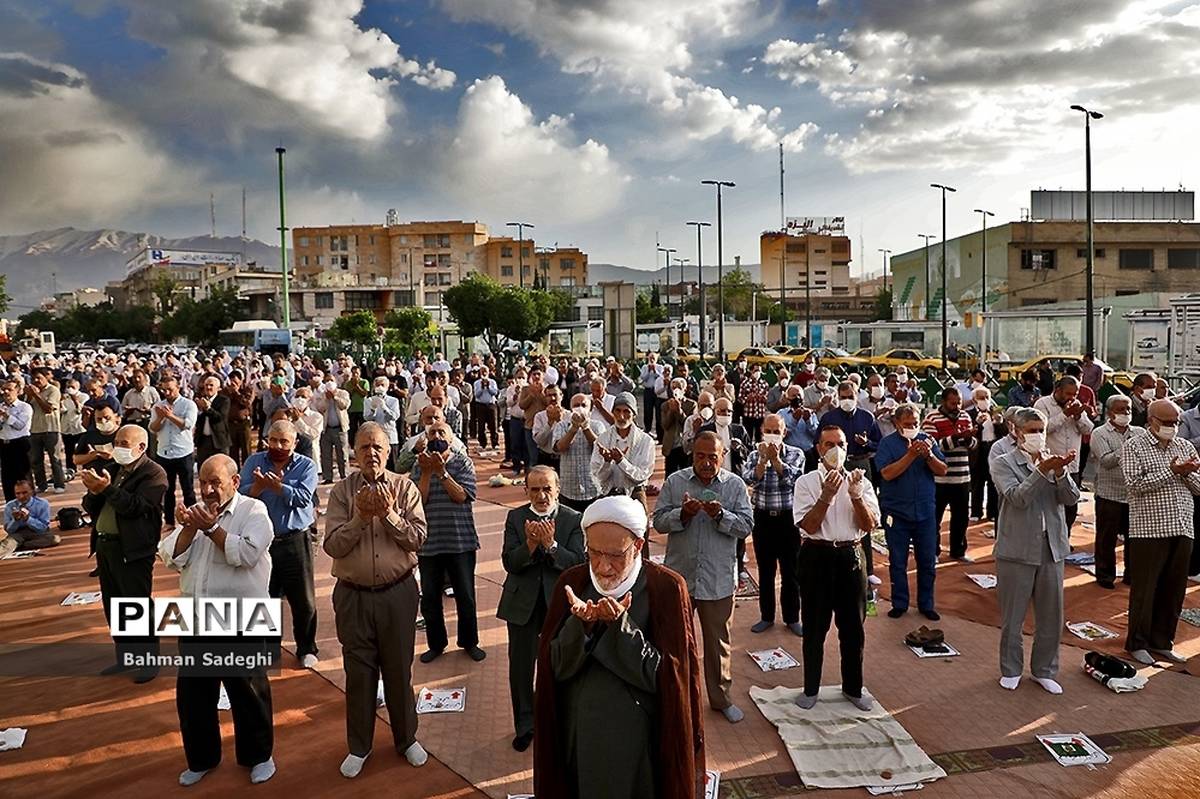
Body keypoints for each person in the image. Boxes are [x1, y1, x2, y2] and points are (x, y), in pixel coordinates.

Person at [533, 496, 705, 799]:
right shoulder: (572, 581)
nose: (603, 566)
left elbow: (668, 678)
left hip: (638, 745)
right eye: (594, 553)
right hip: (579, 738)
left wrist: (620, 627)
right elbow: (553, 668)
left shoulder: (665, 587)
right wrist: (582, 625)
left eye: (614, 555)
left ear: (638, 545)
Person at [160, 455, 277, 786]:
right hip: (197, 618)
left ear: (235, 482)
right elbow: (170, 557)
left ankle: (258, 756)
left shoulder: (253, 511)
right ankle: (201, 758)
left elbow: (246, 554)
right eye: (203, 483)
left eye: (216, 482)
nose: (208, 490)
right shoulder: (197, 513)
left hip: (244, 617)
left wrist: (211, 528)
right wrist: (189, 528)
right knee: (194, 695)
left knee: (249, 691)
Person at [324, 422, 429, 778]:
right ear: (355, 452)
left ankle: (406, 738)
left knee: (399, 670)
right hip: (353, 595)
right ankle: (359, 746)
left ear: (389, 451)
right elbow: (333, 546)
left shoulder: (404, 487)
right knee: (359, 673)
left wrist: (388, 514)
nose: (372, 453)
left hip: (397, 593)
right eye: (365, 447)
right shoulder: (342, 492)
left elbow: (417, 539)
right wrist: (360, 517)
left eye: (378, 447)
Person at [653, 432, 754, 723]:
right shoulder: (676, 482)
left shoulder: (734, 486)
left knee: (718, 643)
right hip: (680, 579)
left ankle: (720, 699)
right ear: (692, 455)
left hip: (718, 581)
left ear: (722, 457)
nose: (707, 463)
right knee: (674, 642)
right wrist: (682, 515)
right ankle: (674, 696)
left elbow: (747, 526)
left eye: (713, 457)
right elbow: (658, 521)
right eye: (701, 456)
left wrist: (722, 516)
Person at [791, 425, 881, 710]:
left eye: (840, 443)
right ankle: (811, 689)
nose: (835, 450)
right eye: (828, 444)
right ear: (818, 448)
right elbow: (808, 525)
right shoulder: (806, 482)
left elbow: (869, 526)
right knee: (815, 627)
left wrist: (855, 496)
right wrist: (827, 495)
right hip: (816, 556)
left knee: (853, 628)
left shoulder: (860, 482)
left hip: (851, 556)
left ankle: (853, 688)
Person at [497, 467, 585, 751]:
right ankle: (525, 725)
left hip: (558, 605)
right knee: (521, 668)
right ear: (526, 491)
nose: (541, 495)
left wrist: (551, 545)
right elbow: (510, 562)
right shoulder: (516, 517)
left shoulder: (573, 519)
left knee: (560, 664)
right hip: (522, 605)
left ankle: (556, 721)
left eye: (547, 489)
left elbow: (576, 565)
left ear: (557, 489)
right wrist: (531, 546)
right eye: (534, 490)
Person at [992, 407, 1078, 694]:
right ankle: (1011, 669)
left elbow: (1071, 498)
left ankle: (1044, 670)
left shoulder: (1052, 459)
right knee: (1013, 615)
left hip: (1052, 546)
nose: (1037, 436)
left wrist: (1061, 471)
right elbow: (1018, 498)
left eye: (1040, 430)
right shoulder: (1003, 461)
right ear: (1015, 432)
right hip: (1016, 548)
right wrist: (1041, 471)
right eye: (1030, 430)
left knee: (1052, 614)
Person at [79, 424, 165, 682]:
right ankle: (126, 657)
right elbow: (90, 504)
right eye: (117, 442)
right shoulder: (113, 468)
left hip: (133, 549)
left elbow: (136, 507)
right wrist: (95, 490)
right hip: (106, 545)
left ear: (141, 447)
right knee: (114, 605)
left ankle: (149, 661)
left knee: (136, 605)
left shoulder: (154, 473)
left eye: (124, 444)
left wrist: (106, 489)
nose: (118, 447)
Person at [1121, 399, 1200, 666]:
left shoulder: (1184, 445)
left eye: (1176, 423)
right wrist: (1172, 471)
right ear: (1151, 420)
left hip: (1182, 527)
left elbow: (1199, 486)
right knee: (1145, 590)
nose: (1172, 428)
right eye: (1167, 423)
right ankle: (1138, 643)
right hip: (1149, 529)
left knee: (1174, 589)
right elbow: (1135, 484)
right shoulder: (1134, 445)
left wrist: (1186, 473)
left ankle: (1162, 641)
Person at [240, 420, 320, 668]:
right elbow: (241, 496)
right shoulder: (254, 462)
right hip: (262, 541)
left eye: (284, 441)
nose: (277, 445)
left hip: (296, 539)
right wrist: (258, 486)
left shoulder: (306, 465)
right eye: (273, 440)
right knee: (265, 595)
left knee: (303, 599)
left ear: (294, 443)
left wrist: (278, 488)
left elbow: (303, 498)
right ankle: (268, 647)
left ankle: (306, 647)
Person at [413, 421, 484, 664]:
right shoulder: (419, 464)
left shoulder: (462, 462)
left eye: (441, 432)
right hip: (429, 543)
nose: (436, 435)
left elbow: (462, 496)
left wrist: (441, 472)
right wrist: (425, 473)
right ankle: (436, 644)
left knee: (465, 595)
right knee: (430, 597)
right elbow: (418, 501)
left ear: (451, 438)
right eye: (431, 432)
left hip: (460, 540)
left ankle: (469, 642)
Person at [877, 404, 948, 619]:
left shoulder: (928, 440)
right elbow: (887, 474)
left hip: (925, 512)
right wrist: (910, 455)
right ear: (897, 423)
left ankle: (926, 604)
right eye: (908, 424)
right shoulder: (887, 444)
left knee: (927, 561)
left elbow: (942, 470)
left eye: (916, 423)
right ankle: (900, 603)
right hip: (897, 513)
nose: (913, 427)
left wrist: (928, 456)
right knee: (898, 561)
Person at [741, 414, 804, 635]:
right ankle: (766, 616)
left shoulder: (796, 454)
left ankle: (792, 617)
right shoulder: (752, 455)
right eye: (768, 430)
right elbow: (750, 479)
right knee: (766, 571)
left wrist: (776, 460)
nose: (772, 435)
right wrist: (763, 461)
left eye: (777, 431)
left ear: (784, 432)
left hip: (788, 520)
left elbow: (792, 481)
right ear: (761, 431)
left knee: (790, 572)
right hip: (763, 518)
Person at [1090, 396, 1139, 588]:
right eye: (1121, 410)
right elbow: (1106, 461)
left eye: (1128, 410)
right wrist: (1127, 449)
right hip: (1109, 494)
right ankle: (1105, 575)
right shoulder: (1100, 433)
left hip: (1134, 494)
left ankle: (1131, 575)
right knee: (1106, 539)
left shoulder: (1139, 432)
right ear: (1110, 413)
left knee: (1134, 538)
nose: (1126, 413)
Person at [923, 387, 976, 562]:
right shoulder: (931, 418)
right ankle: (933, 551)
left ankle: (958, 551)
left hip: (962, 475)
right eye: (953, 403)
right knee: (934, 517)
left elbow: (973, 445)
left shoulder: (965, 416)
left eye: (959, 402)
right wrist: (956, 437)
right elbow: (932, 446)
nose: (957, 406)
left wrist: (969, 439)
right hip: (939, 478)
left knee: (961, 517)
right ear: (944, 402)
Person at [1034, 376, 1093, 532]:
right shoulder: (1042, 404)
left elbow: (1088, 429)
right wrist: (1065, 414)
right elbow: (1043, 429)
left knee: (1070, 508)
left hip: (1072, 467)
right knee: (1050, 507)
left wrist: (1078, 416)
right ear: (1057, 390)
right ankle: (1049, 543)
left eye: (1075, 394)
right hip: (1050, 465)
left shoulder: (1075, 405)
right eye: (1068, 394)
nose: (1071, 398)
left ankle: (1063, 541)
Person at [149, 376, 198, 528]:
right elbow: (153, 428)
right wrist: (161, 418)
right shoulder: (158, 406)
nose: (167, 392)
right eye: (164, 389)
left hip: (183, 452)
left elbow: (187, 425)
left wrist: (170, 416)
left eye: (170, 389)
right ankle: (169, 521)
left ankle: (192, 519)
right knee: (167, 490)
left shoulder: (188, 404)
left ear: (178, 387)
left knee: (188, 489)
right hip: (163, 453)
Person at [590, 392, 655, 505]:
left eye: (626, 412)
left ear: (634, 414)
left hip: (635, 494)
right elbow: (597, 477)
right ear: (613, 412)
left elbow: (642, 476)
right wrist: (607, 462)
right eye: (618, 411)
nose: (621, 416)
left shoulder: (646, 441)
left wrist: (621, 461)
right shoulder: (603, 439)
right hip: (609, 493)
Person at [553, 394, 604, 513]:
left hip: (593, 488)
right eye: (576, 405)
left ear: (590, 410)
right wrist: (573, 429)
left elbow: (600, 448)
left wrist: (586, 428)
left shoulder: (597, 426)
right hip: (568, 489)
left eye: (583, 405)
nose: (580, 408)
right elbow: (559, 447)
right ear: (570, 409)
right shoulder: (562, 425)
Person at [25, 368, 66, 494]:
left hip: (51, 429)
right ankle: (41, 485)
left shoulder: (53, 390)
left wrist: (36, 395)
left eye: (39, 378)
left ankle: (59, 484)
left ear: (46, 377)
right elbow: (27, 408)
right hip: (34, 430)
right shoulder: (31, 392)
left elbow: (48, 409)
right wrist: (29, 396)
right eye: (34, 379)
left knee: (55, 459)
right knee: (36, 460)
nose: (36, 381)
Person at [0, 479, 59, 555]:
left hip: (37, 533)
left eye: (24, 493)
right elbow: (9, 530)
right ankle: (18, 545)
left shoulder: (42, 503)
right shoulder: (10, 506)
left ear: (32, 491)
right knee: (7, 545)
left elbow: (43, 528)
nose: (21, 496)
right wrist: (15, 520)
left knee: (54, 539)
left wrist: (28, 519)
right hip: (18, 534)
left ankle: (20, 546)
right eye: (18, 493)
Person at [0, 380, 33, 501]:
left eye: (10, 389)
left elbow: (20, 425)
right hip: (4, 444)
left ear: (18, 391)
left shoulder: (24, 407)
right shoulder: (1, 406)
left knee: (23, 475)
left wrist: (6, 416)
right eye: (4, 389)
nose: (6, 392)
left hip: (20, 443)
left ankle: (29, 504)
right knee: (7, 478)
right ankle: (11, 504)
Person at [313, 377, 350, 484]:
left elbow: (345, 405)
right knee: (326, 454)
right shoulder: (322, 395)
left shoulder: (343, 393)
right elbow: (320, 408)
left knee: (342, 454)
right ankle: (328, 477)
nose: (329, 382)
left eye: (331, 380)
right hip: (326, 429)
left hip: (340, 428)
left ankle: (344, 476)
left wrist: (335, 397)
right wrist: (326, 399)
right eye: (327, 381)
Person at [362, 376, 403, 467]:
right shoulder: (368, 401)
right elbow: (367, 418)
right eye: (377, 385)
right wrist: (373, 409)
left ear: (387, 387)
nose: (380, 387)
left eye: (382, 385)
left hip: (390, 436)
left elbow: (395, 416)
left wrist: (385, 408)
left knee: (392, 464)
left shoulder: (393, 401)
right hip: (375, 437)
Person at [660, 378, 696, 475]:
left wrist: (679, 411)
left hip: (685, 445)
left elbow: (688, 424)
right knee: (670, 474)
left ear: (684, 390)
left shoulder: (691, 404)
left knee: (686, 473)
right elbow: (665, 425)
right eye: (674, 387)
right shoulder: (665, 405)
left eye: (679, 387)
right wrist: (671, 411)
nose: (676, 390)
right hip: (671, 445)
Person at [193, 375, 231, 465]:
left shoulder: (224, 400)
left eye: (211, 385)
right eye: (206, 385)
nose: (208, 387)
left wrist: (208, 408)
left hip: (218, 441)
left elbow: (220, 417)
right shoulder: (200, 400)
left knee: (220, 467)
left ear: (218, 388)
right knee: (203, 468)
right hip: (203, 441)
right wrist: (198, 409)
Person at [223, 370, 256, 466]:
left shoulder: (248, 389)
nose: (233, 384)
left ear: (241, 381)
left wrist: (236, 393)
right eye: (231, 381)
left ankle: (248, 471)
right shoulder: (226, 391)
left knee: (246, 449)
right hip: (231, 424)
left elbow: (247, 403)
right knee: (233, 451)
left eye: (236, 382)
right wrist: (230, 392)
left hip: (244, 423)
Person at [532, 385, 564, 469]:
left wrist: (560, 421)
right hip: (545, 458)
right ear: (545, 398)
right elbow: (539, 441)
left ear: (561, 396)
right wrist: (549, 423)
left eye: (555, 395)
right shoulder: (539, 416)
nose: (553, 398)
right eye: (549, 396)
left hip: (564, 458)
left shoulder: (569, 416)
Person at [471, 365, 501, 452]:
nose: (484, 373)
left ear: (488, 372)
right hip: (480, 405)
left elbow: (495, 392)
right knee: (481, 426)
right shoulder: (476, 383)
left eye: (485, 371)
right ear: (480, 373)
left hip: (491, 405)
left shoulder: (492, 382)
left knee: (493, 425)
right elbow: (477, 395)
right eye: (482, 371)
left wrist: (488, 387)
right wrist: (481, 387)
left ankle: (495, 443)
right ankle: (482, 444)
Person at [739, 365, 769, 443]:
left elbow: (768, 400)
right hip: (749, 414)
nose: (758, 373)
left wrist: (764, 399)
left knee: (759, 437)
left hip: (760, 415)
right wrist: (747, 399)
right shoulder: (745, 383)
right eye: (756, 371)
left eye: (759, 371)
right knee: (748, 436)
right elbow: (740, 399)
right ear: (751, 371)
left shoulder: (764, 384)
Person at [639, 353, 662, 439]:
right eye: (650, 358)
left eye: (653, 358)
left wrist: (655, 371)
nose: (652, 359)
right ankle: (647, 429)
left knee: (658, 412)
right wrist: (648, 371)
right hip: (648, 390)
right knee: (647, 410)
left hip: (657, 391)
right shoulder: (645, 367)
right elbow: (643, 378)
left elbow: (661, 377)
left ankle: (658, 431)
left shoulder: (660, 367)